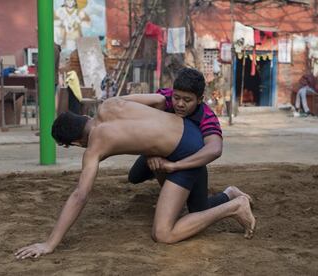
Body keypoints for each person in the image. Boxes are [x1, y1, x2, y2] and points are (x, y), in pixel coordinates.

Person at [15, 74, 255, 260]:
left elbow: (80, 195)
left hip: (188, 153)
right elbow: (161, 100)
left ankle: (234, 206)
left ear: (75, 143)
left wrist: (49, 244)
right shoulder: (109, 104)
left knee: (163, 233)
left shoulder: (94, 146)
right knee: (145, 177)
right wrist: (153, 143)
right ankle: (228, 195)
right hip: (187, 133)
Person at [122, 68, 223, 213]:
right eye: (177, 97)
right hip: (159, 150)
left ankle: (230, 194)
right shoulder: (163, 98)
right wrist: (151, 152)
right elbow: (134, 115)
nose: (180, 104)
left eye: (187, 100)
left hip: (189, 160)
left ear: (200, 99)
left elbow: (215, 149)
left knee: (199, 209)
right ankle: (169, 191)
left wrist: (175, 166)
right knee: (134, 177)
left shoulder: (206, 116)